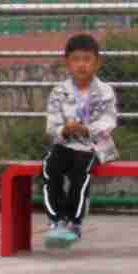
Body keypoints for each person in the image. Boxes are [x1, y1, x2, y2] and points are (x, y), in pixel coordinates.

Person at [42, 33, 117, 249]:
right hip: (64, 144)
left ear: (97, 62)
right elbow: (51, 125)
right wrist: (64, 130)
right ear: (67, 63)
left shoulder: (105, 92)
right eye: (75, 60)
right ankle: (56, 220)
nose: (81, 65)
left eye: (87, 59)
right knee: (50, 168)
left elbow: (109, 121)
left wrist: (86, 130)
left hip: (92, 146)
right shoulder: (59, 91)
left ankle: (74, 222)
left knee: (79, 174)